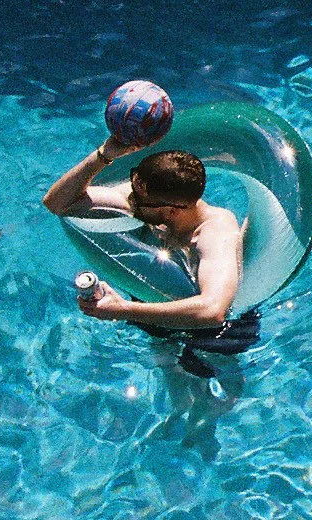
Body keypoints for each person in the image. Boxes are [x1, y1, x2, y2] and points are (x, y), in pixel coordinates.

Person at [42, 136, 256, 359]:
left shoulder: (215, 233)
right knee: (170, 374)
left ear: (172, 211)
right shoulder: (148, 198)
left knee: (208, 381)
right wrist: (104, 155)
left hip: (215, 334)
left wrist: (122, 309)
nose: (130, 200)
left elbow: (214, 311)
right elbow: (57, 203)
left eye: (138, 200)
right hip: (157, 306)